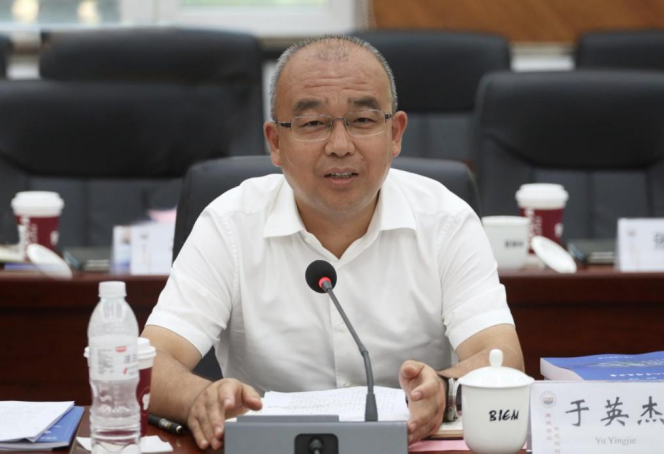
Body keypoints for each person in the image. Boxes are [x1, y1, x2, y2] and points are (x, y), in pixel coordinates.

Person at [141, 35, 524, 450]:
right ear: (275, 142)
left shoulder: (446, 221)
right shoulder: (229, 225)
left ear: (395, 133)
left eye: (363, 121)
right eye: (313, 124)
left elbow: (501, 356)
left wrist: (444, 389)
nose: (340, 146)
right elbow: (148, 363)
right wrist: (200, 398)